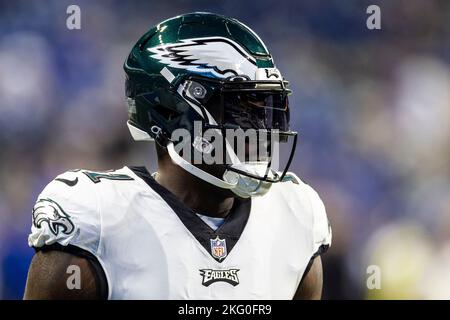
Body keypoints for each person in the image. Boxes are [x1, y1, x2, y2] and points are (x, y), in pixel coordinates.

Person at [23, 12, 331, 300]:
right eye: (240, 110)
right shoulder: (98, 219)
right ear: (171, 111)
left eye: (266, 109)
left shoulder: (296, 215)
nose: (262, 129)